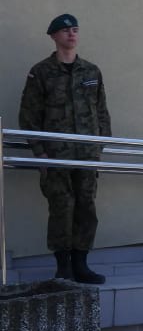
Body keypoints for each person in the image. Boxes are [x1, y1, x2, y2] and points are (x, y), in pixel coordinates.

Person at [19, 14, 112, 284]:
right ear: (54, 36)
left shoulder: (91, 71)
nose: (72, 34)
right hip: (56, 156)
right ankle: (63, 266)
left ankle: (81, 265)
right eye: (66, 30)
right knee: (62, 207)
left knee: (86, 207)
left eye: (75, 30)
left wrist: (99, 146)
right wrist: (40, 152)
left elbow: (102, 112)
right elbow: (29, 115)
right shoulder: (41, 72)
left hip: (86, 154)